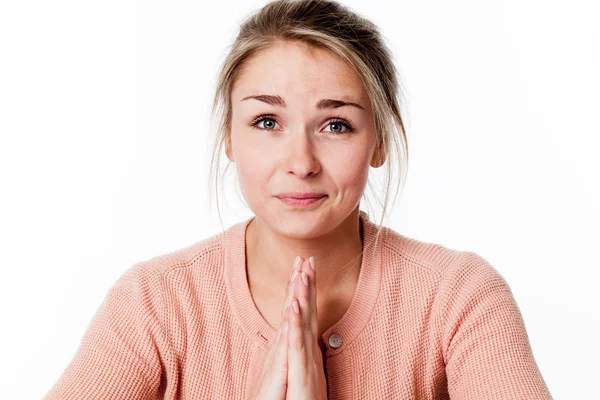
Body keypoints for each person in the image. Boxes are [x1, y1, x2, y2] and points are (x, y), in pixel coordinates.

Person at [43, 0, 553, 398]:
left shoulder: (459, 299)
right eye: (267, 122)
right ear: (228, 136)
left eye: (336, 125)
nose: (301, 161)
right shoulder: (154, 303)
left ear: (378, 141)